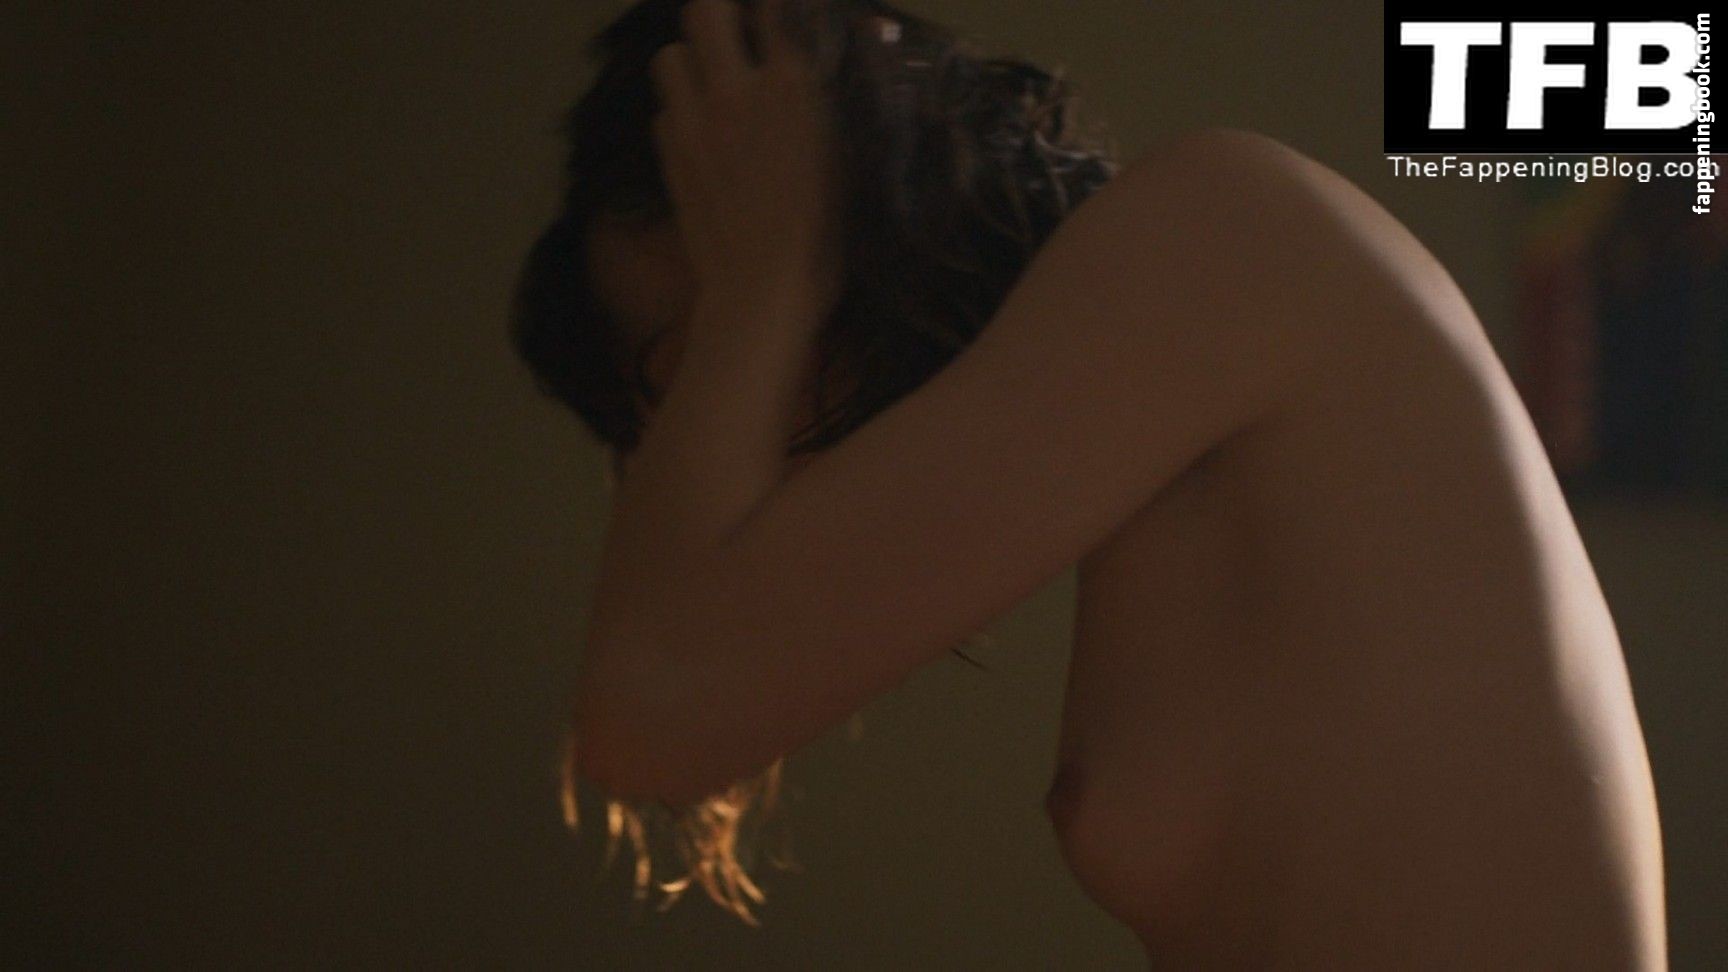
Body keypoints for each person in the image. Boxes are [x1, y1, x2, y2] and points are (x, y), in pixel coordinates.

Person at [513, 0, 1668, 965]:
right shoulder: (1158, 390)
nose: (717, 441)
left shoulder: (1224, 231)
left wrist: (760, 291)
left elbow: (650, 720)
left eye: (698, 367)